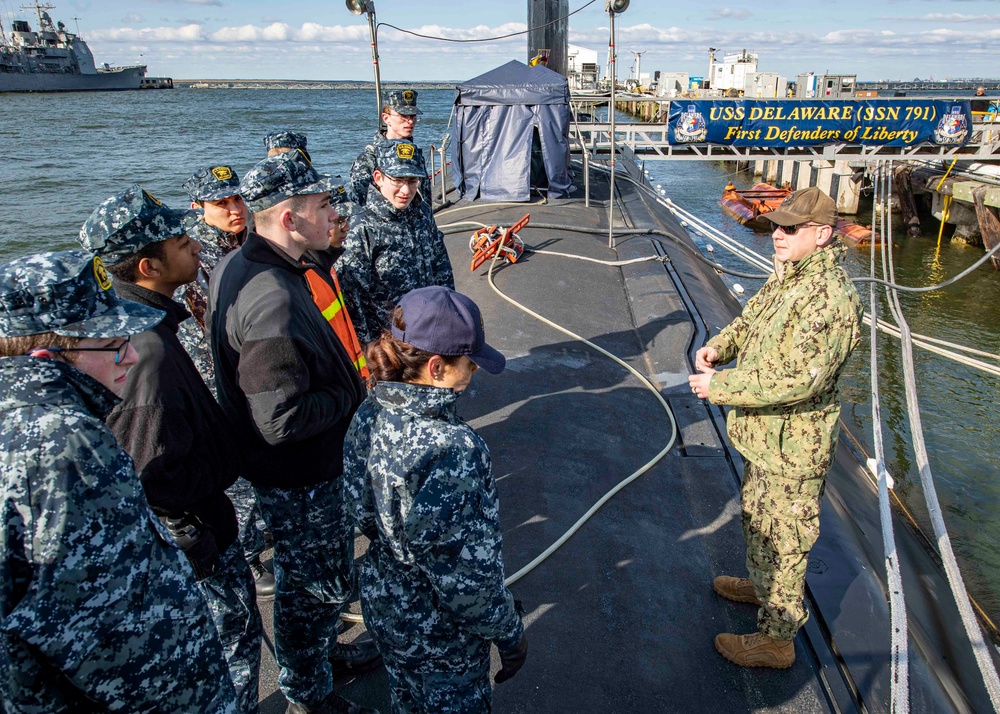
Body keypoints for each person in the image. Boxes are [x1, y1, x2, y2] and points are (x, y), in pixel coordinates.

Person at [0, 249, 239, 712]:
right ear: (47, 354)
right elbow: (116, 637)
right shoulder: (64, 446)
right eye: (111, 343)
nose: (131, 355)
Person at [79, 184, 263, 713]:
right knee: (229, 646)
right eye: (181, 241)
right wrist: (193, 533)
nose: (196, 246)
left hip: (194, 526)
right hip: (197, 536)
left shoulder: (135, 327)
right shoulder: (149, 352)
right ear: (147, 266)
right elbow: (147, 469)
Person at [207, 148, 379, 714]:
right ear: (289, 217)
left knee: (316, 587)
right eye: (323, 203)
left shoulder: (251, 267)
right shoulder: (272, 296)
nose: (334, 213)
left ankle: (320, 658)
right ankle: (309, 692)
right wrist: (351, 393)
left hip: (295, 472)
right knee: (310, 591)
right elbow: (279, 419)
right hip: (300, 480)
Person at [688, 187, 863, 669]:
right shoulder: (791, 276)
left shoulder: (831, 301)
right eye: (775, 226)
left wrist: (719, 386)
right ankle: (763, 586)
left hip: (794, 445)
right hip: (768, 437)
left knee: (785, 540)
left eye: (789, 228)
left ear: (823, 235)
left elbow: (795, 379)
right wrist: (721, 346)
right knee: (759, 518)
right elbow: (752, 319)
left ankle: (777, 638)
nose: (776, 235)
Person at [343, 285, 527, 713]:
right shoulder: (453, 449)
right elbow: (464, 581)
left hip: (387, 608)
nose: (475, 371)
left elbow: (357, 507)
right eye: (469, 362)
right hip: (440, 636)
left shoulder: (369, 411)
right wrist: (509, 631)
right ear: (436, 367)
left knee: (406, 700)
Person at [180, 164, 275, 602]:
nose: (235, 209)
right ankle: (249, 555)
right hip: (217, 386)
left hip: (256, 373)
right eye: (222, 203)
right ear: (200, 209)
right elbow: (198, 338)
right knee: (237, 481)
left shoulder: (252, 243)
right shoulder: (192, 262)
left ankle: (262, 537)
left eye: (237, 199)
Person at [338, 139, 455, 345]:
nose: (405, 190)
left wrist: (448, 317)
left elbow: (441, 268)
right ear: (378, 178)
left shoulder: (423, 215)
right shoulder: (361, 229)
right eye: (398, 180)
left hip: (428, 333)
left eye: (412, 181)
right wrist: (369, 352)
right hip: (388, 345)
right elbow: (353, 301)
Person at [347, 89, 433, 208]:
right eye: (403, 116)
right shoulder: (369, 159)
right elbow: (357, 207)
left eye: (413, 116)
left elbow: (425, 200)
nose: (410, 121)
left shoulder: (415, 155)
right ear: (386, 118)